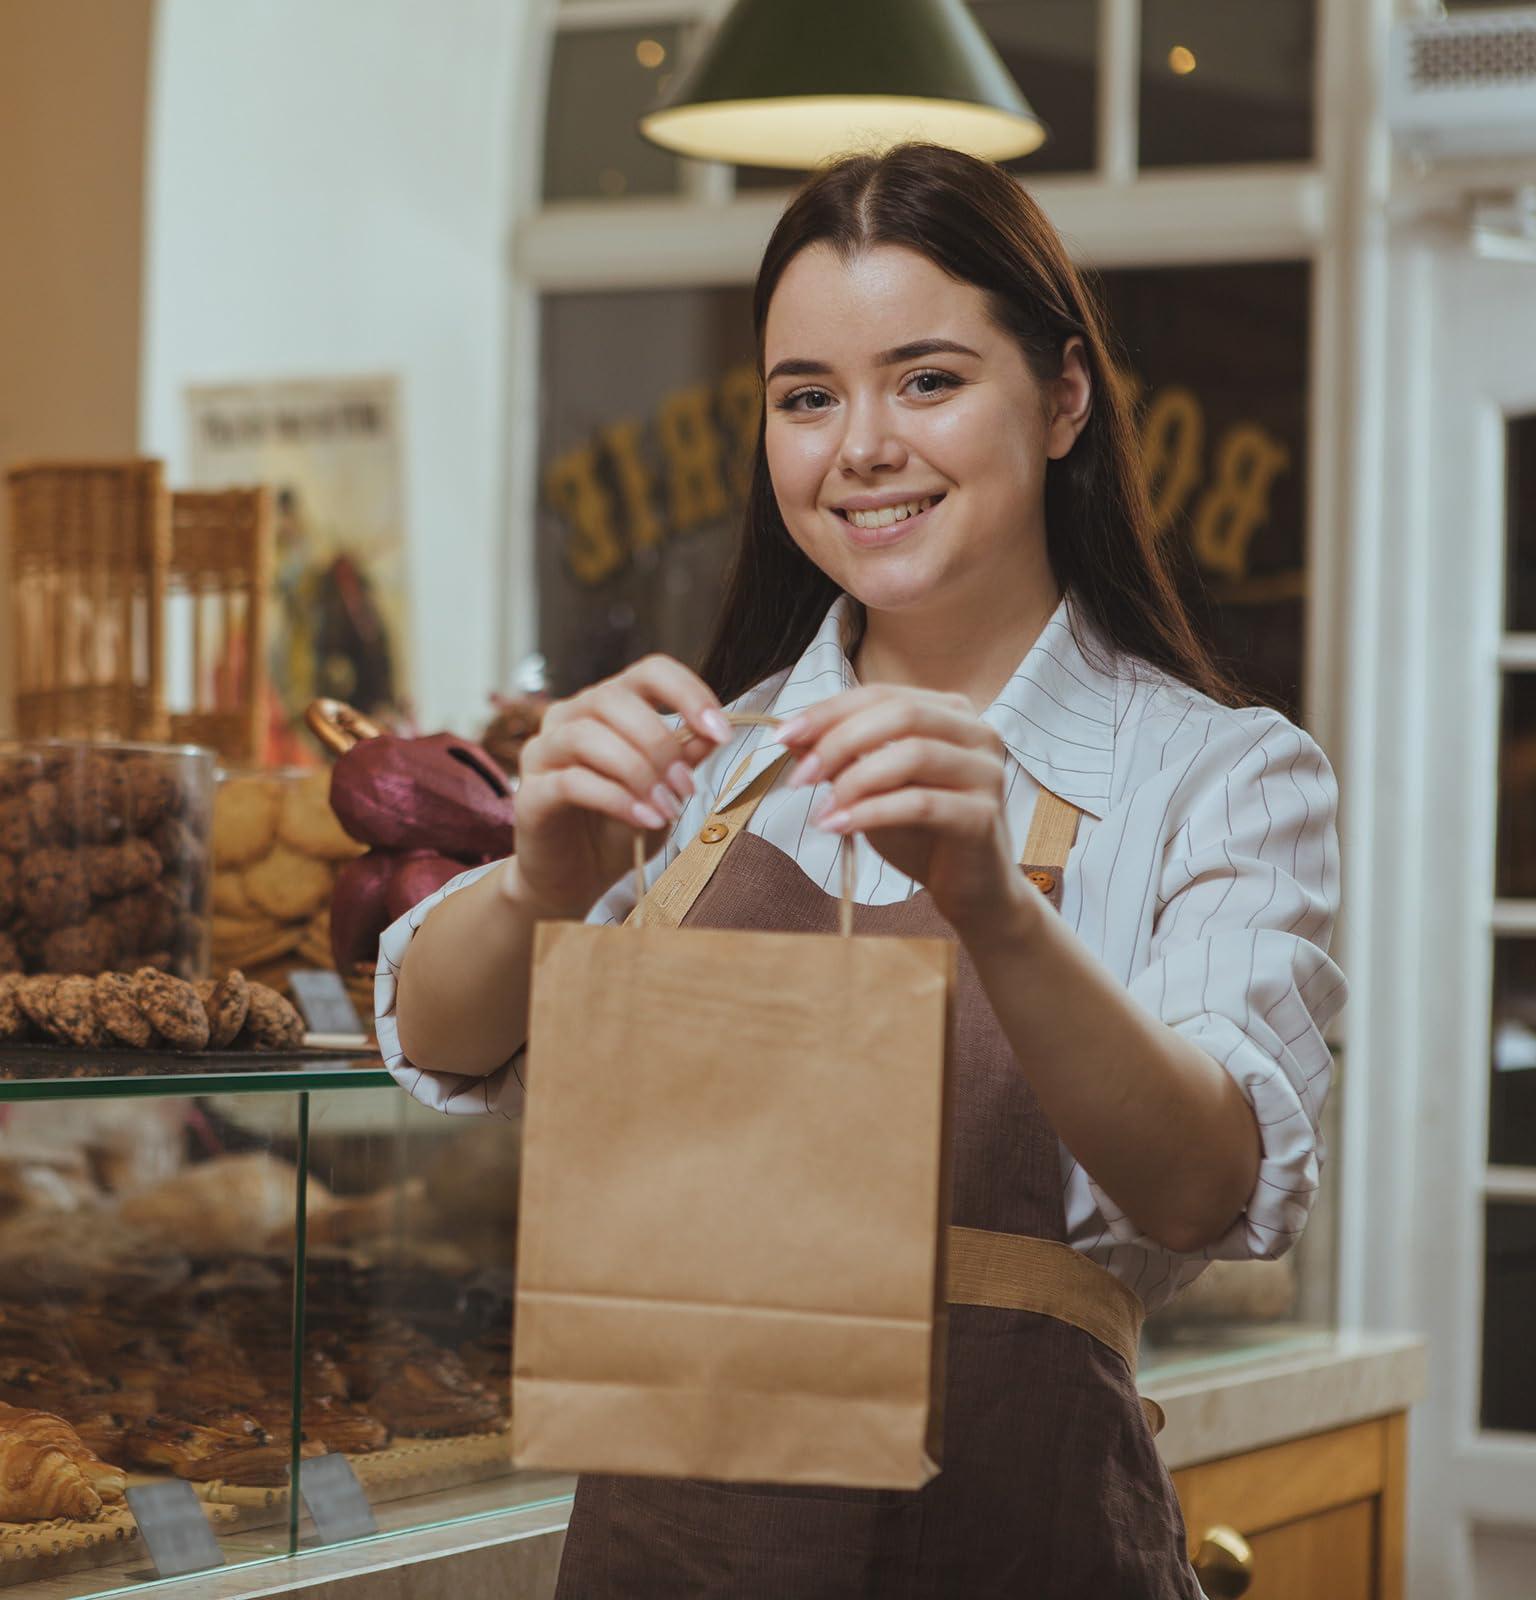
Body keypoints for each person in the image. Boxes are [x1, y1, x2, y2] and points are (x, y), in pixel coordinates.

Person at [378, 143, 1345, 1598]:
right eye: (807, 398)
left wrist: (995, 909)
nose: (862, 447)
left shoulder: (1221, 775)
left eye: (929, 380)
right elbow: (443, 1040)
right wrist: (538, 885)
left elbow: (1211, 1180)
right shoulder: (712, 753)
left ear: (1065, 395)